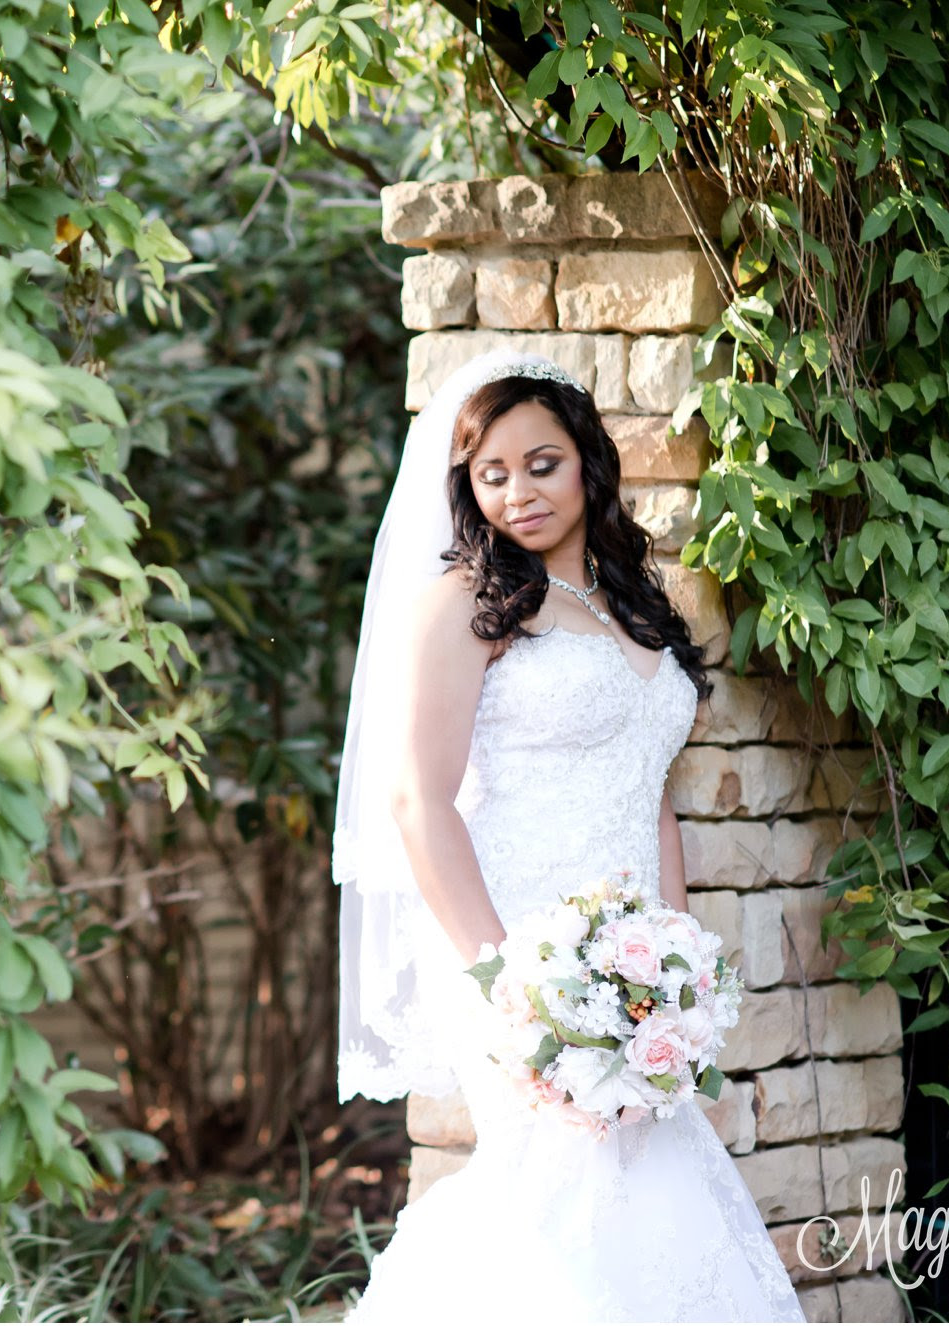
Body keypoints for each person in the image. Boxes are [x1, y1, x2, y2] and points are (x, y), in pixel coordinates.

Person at [332, 347, 807, 1323]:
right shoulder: (464, 604)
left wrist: (676, 964)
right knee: (555, 1199)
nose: (518, 493)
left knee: (653, 1193)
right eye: (491, 474)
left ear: (588, 460)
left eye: (541, 464)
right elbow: (418, 801)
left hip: (634, 967)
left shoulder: (630, 601)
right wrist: (508, 985)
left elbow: (650, 791)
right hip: (515, 952)